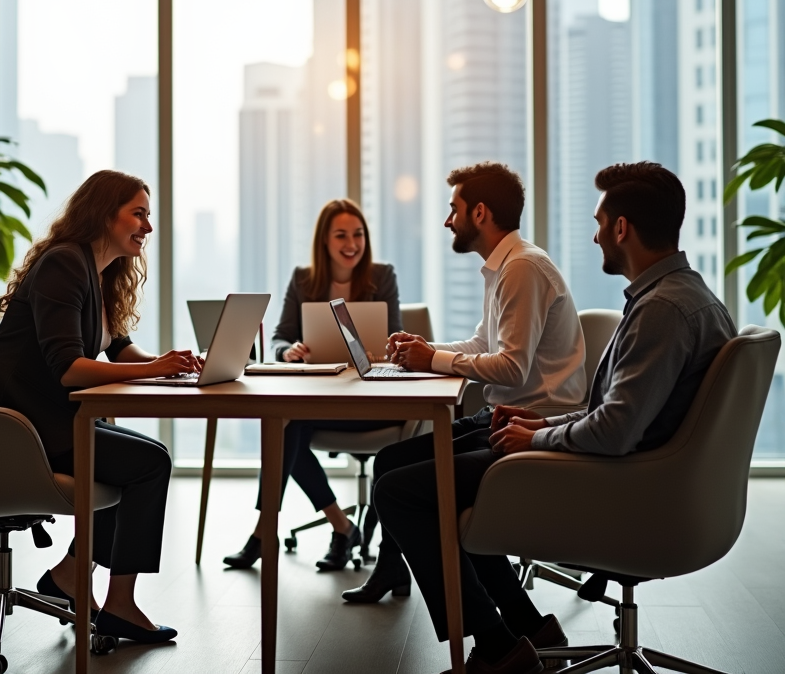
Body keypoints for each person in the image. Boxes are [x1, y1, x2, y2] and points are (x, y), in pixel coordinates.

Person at [374, 162, 737, 674]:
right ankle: (522, 626)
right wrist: (542, 425)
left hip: (619, 485)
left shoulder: (664, 312)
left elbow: (613, 430)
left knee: (401, 490)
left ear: (621, 228)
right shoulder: (680, 299)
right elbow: (615, 416)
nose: (593, 236)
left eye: (598, 222)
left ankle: (501, 648)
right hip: (632, 472)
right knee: (418, 478)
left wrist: (539, 436)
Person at [0, 170, 202, 645]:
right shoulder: (63, 264)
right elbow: (70, 369)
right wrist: (154, 369)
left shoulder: (96, 271)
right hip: (17, 431)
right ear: (104, 214)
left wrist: (170, 364)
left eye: (147, 215)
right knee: (149, 463)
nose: (147, 227)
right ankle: (119, 605)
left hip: (46, 421)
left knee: (142, 458)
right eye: (138, 214)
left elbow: (119, 350)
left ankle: (70, 575)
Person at [343, 161, 586, 605]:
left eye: (453, 208)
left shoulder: (522, 269)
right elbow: (482, 342)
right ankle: (393, 573)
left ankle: (498, 636)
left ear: (480, 213)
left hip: (529, 424)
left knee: (400, 488)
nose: (446, 219)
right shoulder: (507, 265)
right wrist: (424, 349)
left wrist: (432, 358)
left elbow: (511, 367)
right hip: (501, 416)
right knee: (389, 462)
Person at [223, 198, 404, 572]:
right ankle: (340, 525)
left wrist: (383, 349)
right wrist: (289, 350)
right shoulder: (304, 279)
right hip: (320, 399)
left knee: (288, 427)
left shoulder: (382, 276)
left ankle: (265, 533)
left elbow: (395, 335)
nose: (351, 243)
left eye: (358, 234)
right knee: (283, 425)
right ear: (324, 240)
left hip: (372, 400)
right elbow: (279, 336)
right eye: (341, 235)